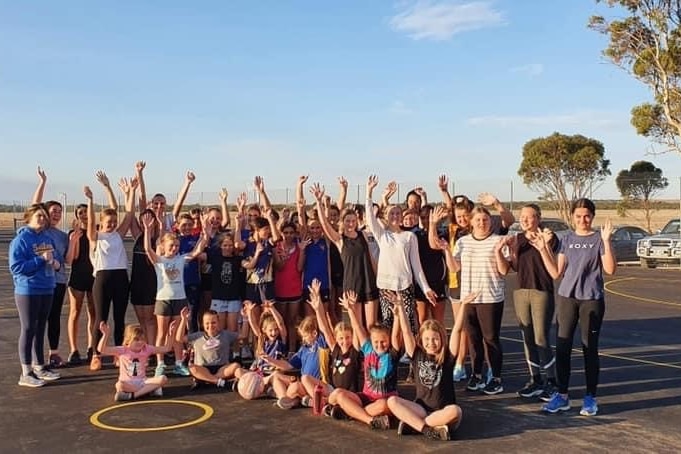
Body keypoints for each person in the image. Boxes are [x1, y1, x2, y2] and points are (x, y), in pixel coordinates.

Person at [541, 198, 615, 417]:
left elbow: (610, 269)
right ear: (572, 217)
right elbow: (556, 273)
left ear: (592, 216)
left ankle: (590, 397)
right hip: (567, 299)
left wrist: (608, 241)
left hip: (591, 300)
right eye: (578, 216)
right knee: (562, 348)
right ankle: (562, 396)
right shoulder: (566, 239)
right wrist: (544, 248)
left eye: (587, 216)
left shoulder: (598, 239)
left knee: (589, 348)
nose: (583, 220)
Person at [387, 292, 476, 441]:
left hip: (443, 411)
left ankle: (415, 426)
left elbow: (457, 330)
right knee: (392, 401)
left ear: (442, 339)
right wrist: (401, 307)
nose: (431, 342)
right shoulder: (416, 354)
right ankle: (428, 429)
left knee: (456, 411)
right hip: (421, 409)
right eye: (427, 339)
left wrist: (464, 306)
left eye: (435, 339)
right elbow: (407, 331)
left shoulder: (447, 357)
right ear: (421, 340)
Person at [440, 206, 511, 395]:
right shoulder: (463, 242)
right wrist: (447, 250)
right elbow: (455, 268)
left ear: (491, 222)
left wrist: (497, 252)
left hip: (491, 297)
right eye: (478, 220)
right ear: (471, 222)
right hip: (468, 298)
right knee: (473, 339)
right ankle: (477, 374)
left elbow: (504, 271)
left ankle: (495, 377)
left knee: (491, 339)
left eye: (485, 219)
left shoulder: (498, 240)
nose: (481, 223)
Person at [365, 175, 437, 335]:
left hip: (404, 286)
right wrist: (369, 192)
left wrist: (426, 289)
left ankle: (407, 354)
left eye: (398, 213)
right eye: (392, 213)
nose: (395, 216)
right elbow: (370, 217)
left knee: (408, 322)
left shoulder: (409, 237)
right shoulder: (382, 235)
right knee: (388, 323)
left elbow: (416, 265)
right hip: (385, 286)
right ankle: (390, 355)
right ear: (385, 217)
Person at [140, 211, 209, 377]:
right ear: (163, 246)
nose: (175, 248)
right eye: (171, 246)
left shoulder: (181, 259)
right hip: (163, 301)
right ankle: (160, 364)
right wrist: (148, 230)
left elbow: (198, 249)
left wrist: (205, 232)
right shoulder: (159, 261)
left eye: (177, 246)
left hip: (180, 300)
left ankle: (179, 363)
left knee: (178, 333)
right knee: (162, 334)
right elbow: (147, 249)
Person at [506, 204, 559, 400]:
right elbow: (515, 266)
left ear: (538, 218)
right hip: (521, 291)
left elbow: (553, 264)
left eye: (529, 217)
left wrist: (544, 243)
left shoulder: (549, 236)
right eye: (522, 217)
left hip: (541, 291)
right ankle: (535, 379)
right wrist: (511, 251)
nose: (525, 220)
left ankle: (552, 381)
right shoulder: (518, 239)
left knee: (541, 338)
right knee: (527, 338)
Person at [311, 183, 379, 331]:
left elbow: (371, 259)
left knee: (371, 325)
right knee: (357, 326)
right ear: (342, 222)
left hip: (369, 281)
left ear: (357, 221)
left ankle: (370, 354)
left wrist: (378, 277)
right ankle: (357, 354)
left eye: (353, 221)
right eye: (347, 221)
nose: (351, 223)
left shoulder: (363, 235)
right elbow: (324, 224)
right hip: (352, 283)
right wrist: (319, 202)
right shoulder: (339, 240)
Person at [86, 177, 136, 371]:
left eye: (114, 221)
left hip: (121, 277)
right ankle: (96, 354)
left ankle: (118, 353)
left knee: (120, 317)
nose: (113, 224)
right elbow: (90, 222)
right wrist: (90, 200)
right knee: (101, 318)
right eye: (109, 222)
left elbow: (130, 214)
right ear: (101, 222)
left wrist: (131, 191)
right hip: (102, 279)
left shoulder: (118, 234)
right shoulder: (95, 237)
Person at [10, 203, 62, 387]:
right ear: (29, 218)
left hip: (47, 287)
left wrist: (56, 263)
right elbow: (16, 267)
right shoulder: (22, 239)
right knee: (29, 328)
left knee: (40, 329)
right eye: (39, 216)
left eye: (44, 216)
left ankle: (39, 366)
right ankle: (26, 372)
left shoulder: (47, 237)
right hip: (28, 290)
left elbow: (58, 260)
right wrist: (40, 260)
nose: (43, 219)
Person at [331, 290, 399, 431]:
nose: (380, 345)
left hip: (383, 401)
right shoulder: (368, 350)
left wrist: (398, 315)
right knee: (338, 394)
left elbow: (398, 333)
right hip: (365, 398)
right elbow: (357, 327)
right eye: (376, 342)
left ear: (389, 341)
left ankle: (352, 412)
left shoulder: (391, 354)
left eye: (383, 342)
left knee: (385, 405)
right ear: (371, 341)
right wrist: (350, 309)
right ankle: (370, 420)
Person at [305, 280, 363, 417]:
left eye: (348, 337)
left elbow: (357, 327)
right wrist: (318, 307)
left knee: (338, 394)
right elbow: (324, 328)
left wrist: (351, 309)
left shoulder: (354, 351)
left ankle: (324, 403)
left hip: (349, 393)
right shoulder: (335, 349)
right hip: (333, 390)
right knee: (305, 378)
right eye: (341, 338)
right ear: (337, 339)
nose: (345, 341)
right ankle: (322, 402)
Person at [263, 314, 329, 410]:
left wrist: (318, 310)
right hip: (303, 384)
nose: (303, 339)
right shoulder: (303, 349)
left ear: (314, 333)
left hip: (317, 385)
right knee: (276, 375)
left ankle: (313, 401)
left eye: (305, 336)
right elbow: (288, 365)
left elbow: (324, 329)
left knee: (299, 383)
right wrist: (271, 360)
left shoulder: (321, 344)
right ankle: (287, 399)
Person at [98, 320, 177, 401]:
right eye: (136, 339)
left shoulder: (146, 348)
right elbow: (102, 349)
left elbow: (167, 348)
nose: (140, 342)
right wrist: (105, 335)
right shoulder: (123, 350)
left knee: (163, 378)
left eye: (142, 339)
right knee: (119, 385)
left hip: (142, 382)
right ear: (128, 340)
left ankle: (133, 395)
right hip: (127, 383)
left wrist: (171, 334)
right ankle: (149, 391)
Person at [176, 307, 242, 389]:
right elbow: (179, 338)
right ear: (203, 324)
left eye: (213, 322)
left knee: (236, 365)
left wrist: (246, 318)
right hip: (203, 368)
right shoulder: (197, 336)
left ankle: (206, 379)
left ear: (218, 323)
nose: (210, 325)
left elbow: (244, 335)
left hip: (222, 369)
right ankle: (218, 382)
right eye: (207, 323)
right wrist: (183, 319)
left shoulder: (225, 334)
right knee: (192, 367)